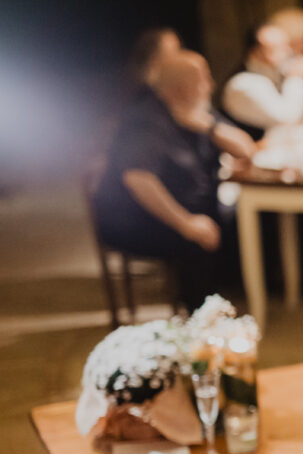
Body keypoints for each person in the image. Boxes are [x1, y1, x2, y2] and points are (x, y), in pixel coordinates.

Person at [93, 51, 255, 310]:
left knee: (239, 219)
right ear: (181, 89)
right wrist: (186, 223)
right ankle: (199, 320)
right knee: (198, 238)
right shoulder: (145, 121)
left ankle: (225, 305)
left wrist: (209, 129)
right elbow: (138, 178)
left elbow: (246, 149)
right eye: (204, 79)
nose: (211, 85)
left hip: (194, 206)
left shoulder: (197, 111)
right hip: (136, 218)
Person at [221, 24, 303, 140]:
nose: (288, 52)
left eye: (287, 45)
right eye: (277, 48)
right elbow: (288, 117)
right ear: (255, 51)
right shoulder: (242, 84)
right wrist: (297, 77)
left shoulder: (278, 72)